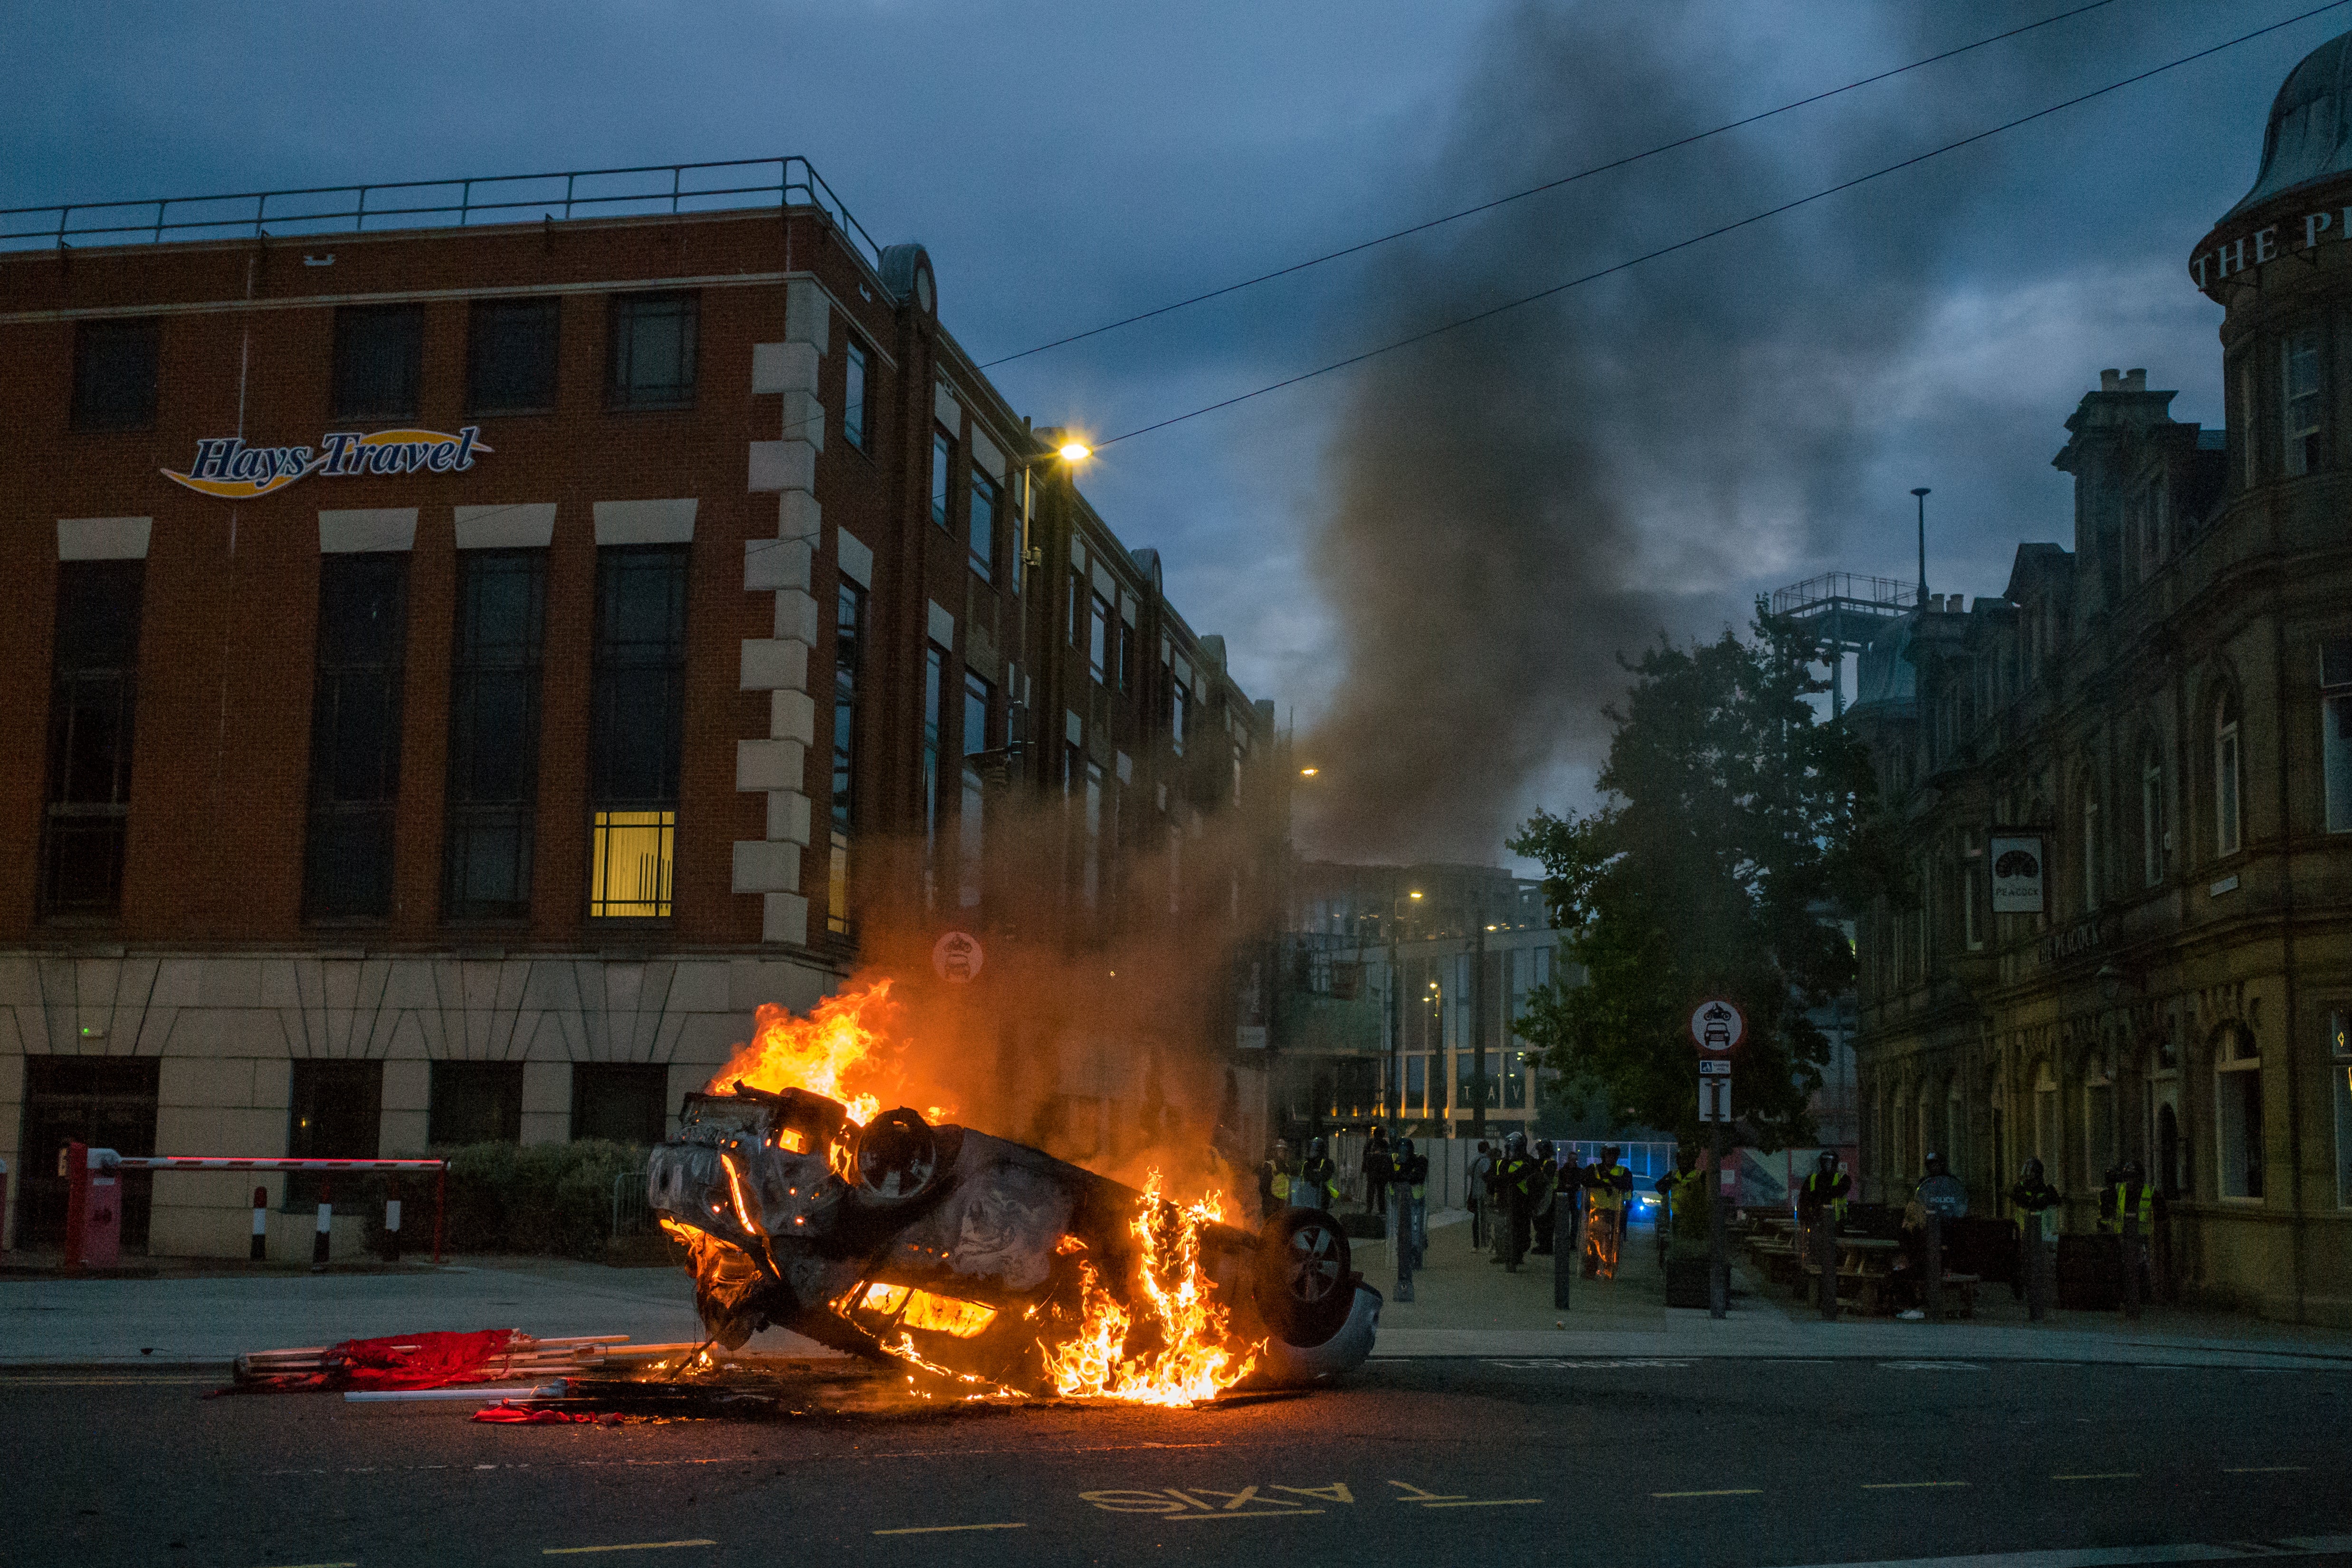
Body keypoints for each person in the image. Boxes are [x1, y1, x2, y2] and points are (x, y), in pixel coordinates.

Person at [1795, 1150, 1851, 1312]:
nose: (1828, 1166)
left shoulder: (1842, 1178)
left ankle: (1833, 1294)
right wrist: (1807, 1219)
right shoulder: (1812, 1179)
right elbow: (1804, 1201)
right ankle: (1818, 1294)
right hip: (1817, 1227)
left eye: (1831, 1163)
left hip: (1837, 1228)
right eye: (1825, 1163)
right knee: (1816, 1259)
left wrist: (1819, 1196)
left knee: (1837, 1261)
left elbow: (1839, 1191)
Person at [2009, 1155, 2062, 1321]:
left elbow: (2048, 1203)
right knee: (2021, 1266)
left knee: (2041, 1267)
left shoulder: (2045, 1190)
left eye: (2031, 1173)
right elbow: (2016, 1195)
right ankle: (2023, 1292)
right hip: (2021, 1234)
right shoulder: (2020, 1188)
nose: (2027, 1177)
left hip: (2042, 1235)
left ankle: (2040, 1301)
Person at [2111, 1158, 2160, 1316]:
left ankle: (2139, 1303)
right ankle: (2131, 1306)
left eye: (2133, 1178)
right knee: (2128, 1273)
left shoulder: (2150, 1191)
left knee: (2140, 1272)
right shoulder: (2120, 1190)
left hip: (2143, 1239)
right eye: (2128, 1178)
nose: (2130, 1182)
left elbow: (2162, 1216)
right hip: (2125, 1238)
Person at [1583, 1145, 1632, 1279]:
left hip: (1616, 1213)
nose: (1611, 1158)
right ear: (1603, 1156)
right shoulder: (1593, 1169)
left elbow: (1627, 1185)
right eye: (1609, 1155)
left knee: (1612, 1245)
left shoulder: (1624, 1171)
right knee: (1593, 1242)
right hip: (1597, 1211)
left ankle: (1609, 1270)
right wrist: (1607, 1184)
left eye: (1614, 1156)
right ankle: (1590, 1271)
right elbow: (1586, 1180)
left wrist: (1607, 1180)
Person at [1493, 1132, 1538, 1271]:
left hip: (1523, 1204)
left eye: (1515, 1149)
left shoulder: (1530, 1162)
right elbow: (1490, 1178)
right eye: (1510, 1149)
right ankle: (1505, 1255)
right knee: (1502, 1230)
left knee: (1523, 1234)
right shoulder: (1502, 1162)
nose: (1512, 1152)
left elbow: (1538, 1183)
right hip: (1504, 1202)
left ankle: (1517, 1255)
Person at [1654, 1148, 1699, 1269]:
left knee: (1691, 1247)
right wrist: (1668, 1183)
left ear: (1692, 1161)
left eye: (1687, 1160)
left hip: (1693, 1218)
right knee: (1677, 1246)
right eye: (1681, 1160)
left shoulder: (1699, 1176)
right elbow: (1659, 1187)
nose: (1683, 1163)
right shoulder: (1674, 1174)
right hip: (1676, 1218)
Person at [1394, 1136, 1430, 1266]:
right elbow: (1393, 1176)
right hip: (1400, 1200)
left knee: (1416, 1230)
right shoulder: (1397, 1161)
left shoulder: (1420, 1160)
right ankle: (1405, 1254)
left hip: (1416, 1200)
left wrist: (1404, 1176)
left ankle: (1416, 1254)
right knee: (1401, 1230)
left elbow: (1418, 1177)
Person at [1529, 1140, 1560, 1256]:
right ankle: (1543, 1245)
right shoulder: (1543, 1163)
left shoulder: (1551, 1163)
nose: (1539, 1153)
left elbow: (1543, 1179)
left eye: (1541, 1151)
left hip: (1550, 1197)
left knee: (1546, 1223)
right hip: (1544, 1196)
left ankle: (1546, 1247)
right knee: (1540, 1222)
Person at [1258, 1139, 1295, 1220]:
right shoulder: (1269, 1166)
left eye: (1285, 1152)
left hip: (1284, 1204)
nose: (1283, 1154)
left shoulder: (1287, 1167)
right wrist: (1270, 1203)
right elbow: (1263, 1187)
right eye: (1280, 1151)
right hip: (1273, 1205)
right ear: (1276, 1152)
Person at [1362, 1127, 1394, 1220]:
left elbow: (1388, 1156)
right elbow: (1365, 1155)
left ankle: (1381, 1210)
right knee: (1372, 1192)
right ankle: (1370, 1209)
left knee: (1380, 1192)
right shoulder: (1371, 1143)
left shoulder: (1384, 1144)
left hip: (1381, 1172)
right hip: (1373, 1171)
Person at [1299, 1137, 1338, 1213]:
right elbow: (1306, 1178)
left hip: (1323, 1198)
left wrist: (1315, 1175)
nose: (1311, 1152)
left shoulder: (1328, 1163)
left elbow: (1323, 1177)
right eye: (1311, 1150)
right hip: (1309, 1197)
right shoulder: (1307, 1164)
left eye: (1314, 1150)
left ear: (1319, 1151)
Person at [1468, 1140, 1495, 1249]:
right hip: (1484, 1193)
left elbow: (1469, 1172)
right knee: (1485, 1218)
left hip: (1475, 1192)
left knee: (1477, 1218)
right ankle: (1485, 1243)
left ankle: (1476, 1244)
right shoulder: (1486, 1161)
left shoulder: (1475, 1159)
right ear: (1487, 1149)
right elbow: (1488, 1175)